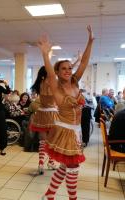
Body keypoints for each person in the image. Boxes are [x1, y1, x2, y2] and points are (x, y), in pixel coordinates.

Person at [37, 25, 94, 200]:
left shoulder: (75, 82)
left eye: (70, 68)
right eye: (64, 68)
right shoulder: (56, 87)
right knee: (73, 167)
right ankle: (72, 198)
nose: (68, 70)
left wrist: (90, 42)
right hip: (64, 130)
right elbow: (49, 72)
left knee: (65, 166)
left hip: (76, 131)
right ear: (57, 72)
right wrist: (45, 55)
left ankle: (49, 194)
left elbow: (83, 62)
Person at [30, 66, 59, 174]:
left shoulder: (40, 84)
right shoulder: (52, 83)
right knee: (51, 141)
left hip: (41, 113)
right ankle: (50, 162)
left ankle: (41, 163)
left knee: (42, 141)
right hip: (52, 114)